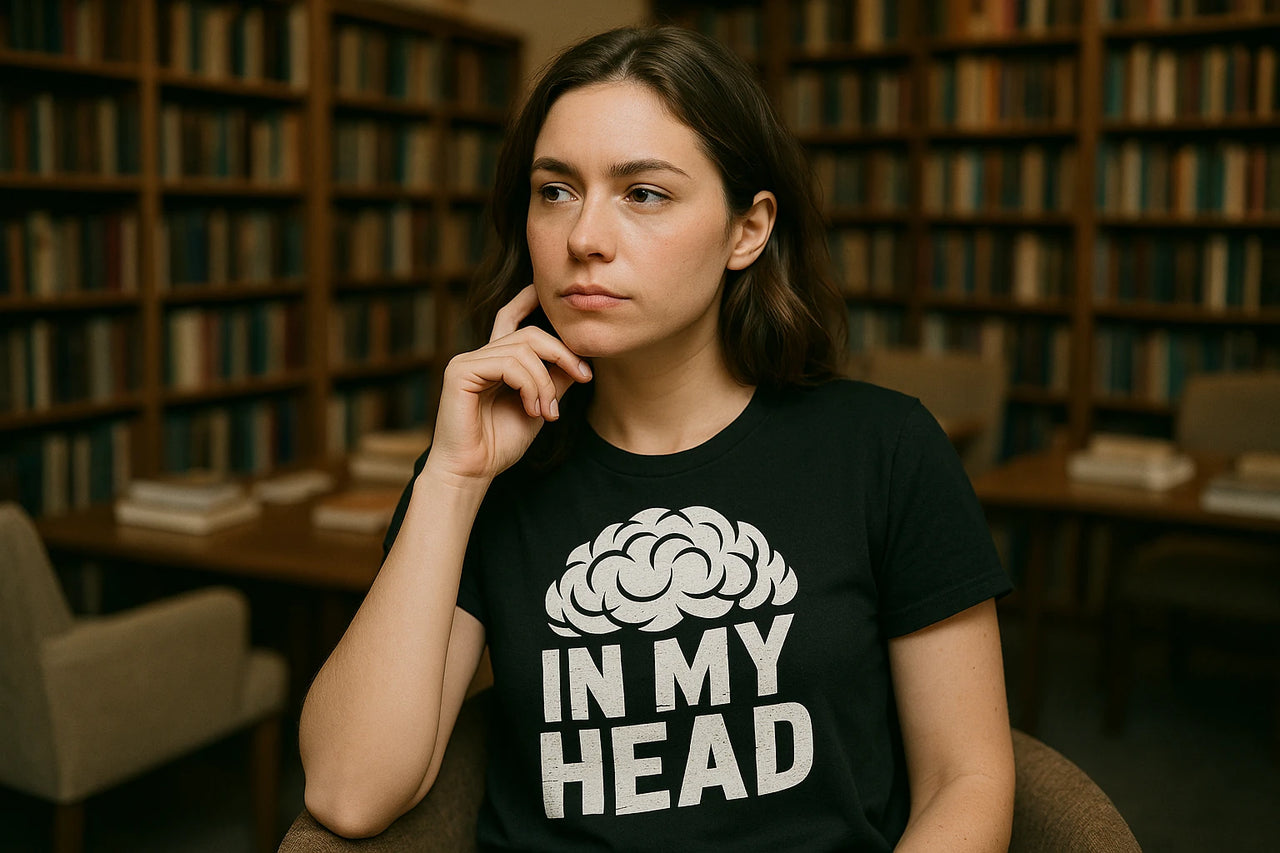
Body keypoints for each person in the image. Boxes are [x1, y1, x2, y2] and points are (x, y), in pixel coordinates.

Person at [299, 25, 1015, 852]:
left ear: (747, 230)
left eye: (643, 193)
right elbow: (349, 792)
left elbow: (968, 779)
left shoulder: (885, 450)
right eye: (555, 190)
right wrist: (455, 480)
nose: (583, 238)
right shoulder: (484, 474)